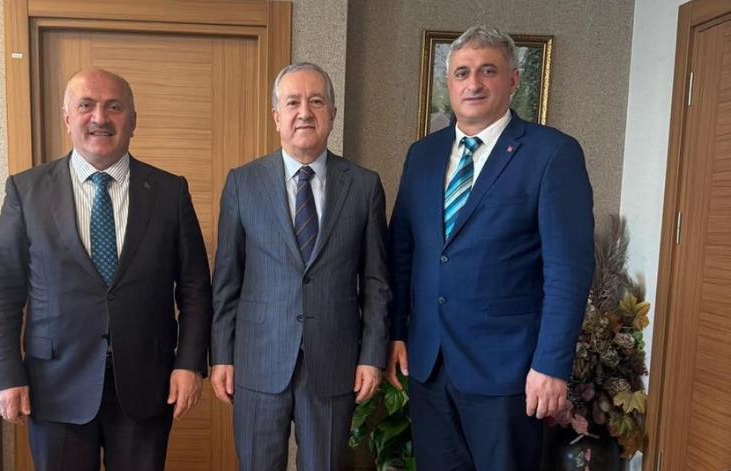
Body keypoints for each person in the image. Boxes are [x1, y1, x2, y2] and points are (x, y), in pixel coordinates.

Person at [386, 25, 595, 471]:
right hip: (430, 364)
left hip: (509, 372)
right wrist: (397, 332)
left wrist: (551, 365)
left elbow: (568, 271)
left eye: (488, 70)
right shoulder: (422, 155)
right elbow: (403, 253)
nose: (473, 83)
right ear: (449, 83)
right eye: (462, 73)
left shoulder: (552, 153)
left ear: (513, 80)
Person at [0, 68, 212, 471]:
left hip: (147, 384)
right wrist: (4, 374)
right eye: (86, 105)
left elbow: (194, 288)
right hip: (54, 386)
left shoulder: (170, 191)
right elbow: (3, 291)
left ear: (133, 121)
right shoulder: (26, 190)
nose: (100, 118)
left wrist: (189, 363)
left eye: (114, 107)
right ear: (67, 117)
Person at [210, 62, 390, 471]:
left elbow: (377, 281)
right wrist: (221, 355)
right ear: (277, 116)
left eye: (316, 101)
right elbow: (226, 280)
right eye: (293, 102)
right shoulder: (242, 183)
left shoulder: (364, 185)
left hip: (334, 362)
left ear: (332, 113)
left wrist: (371, 355)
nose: (304, 112)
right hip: (258, 361)